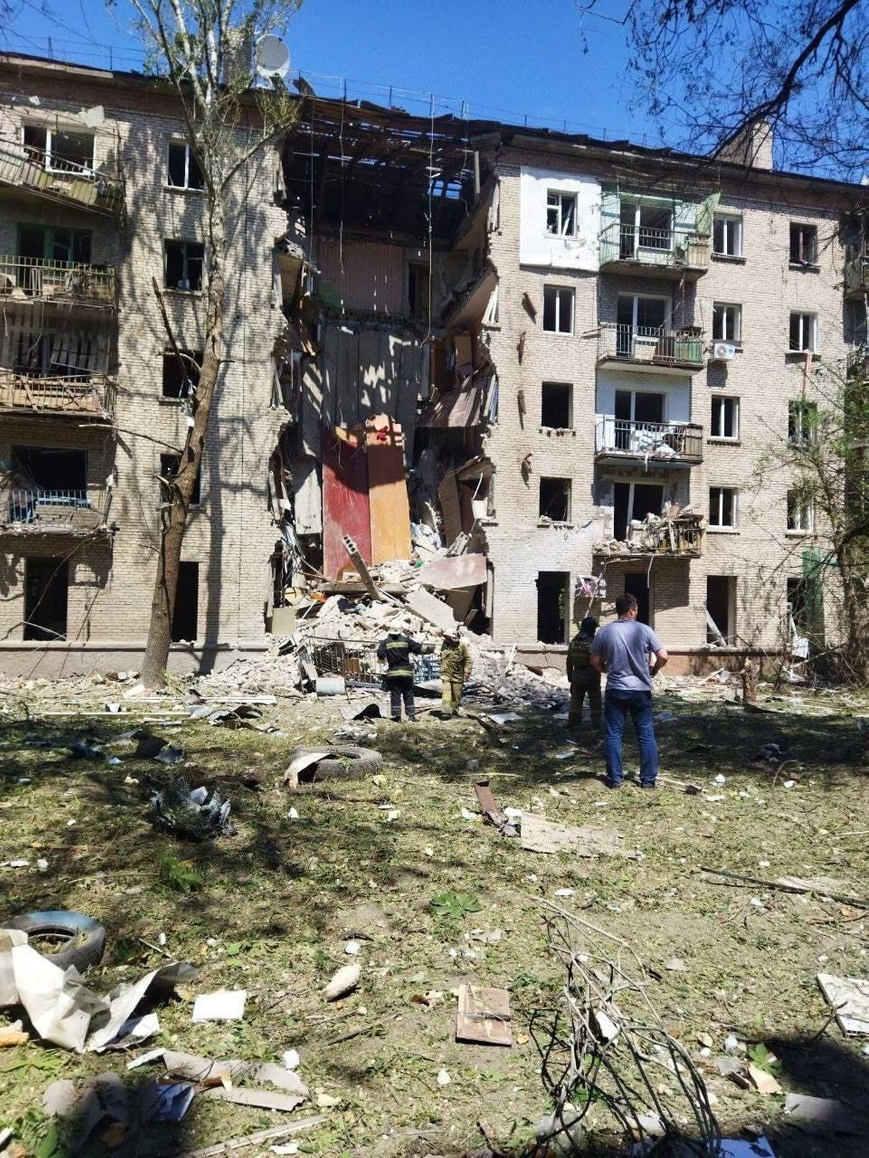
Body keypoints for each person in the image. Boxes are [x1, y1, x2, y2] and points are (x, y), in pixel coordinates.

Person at [590, 593, 668, 789]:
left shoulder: (604, 632)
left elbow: (594, 660)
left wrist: (606, 670)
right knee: (646, 734)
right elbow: (664, 656)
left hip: (616, 690)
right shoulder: (645, 630)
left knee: (613, 734)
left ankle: (615, 779)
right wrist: (654, 670)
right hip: (641, 690)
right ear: (632, 611)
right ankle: (648, 781)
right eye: (637, 609)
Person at [376, 629, 432, 722]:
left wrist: (386, 656)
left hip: (393, 673)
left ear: (390, 632)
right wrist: (431, 649)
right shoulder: (406, 640)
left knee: (395, 694)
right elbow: (418, 648)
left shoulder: (385, 642)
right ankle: (411, 716)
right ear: (400, 631)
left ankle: (397, 717)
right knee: (408, 693)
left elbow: (380, 655)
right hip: (406, 672)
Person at [566, 616, 601, 730]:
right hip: (592, 675)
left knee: (576, 700)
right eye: (594, 628)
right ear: (591, 628)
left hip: (577, 674)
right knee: (595, 701)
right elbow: (599, 659)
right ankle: (596, 724)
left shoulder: (574, 641)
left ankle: (573, 723)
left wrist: (570, 675)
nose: (595, 630)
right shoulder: (594, 642)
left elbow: (569, 660)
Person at [440, 629, 472, 716]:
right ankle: (446, 711)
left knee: (456, 695)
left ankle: (454, 709)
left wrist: (467, 671)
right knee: (446, 692)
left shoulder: (462, 646)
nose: (446, 638)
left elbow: (468, 659)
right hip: (446, 672)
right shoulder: (445, 645)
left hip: (457, 674)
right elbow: (442, 655)